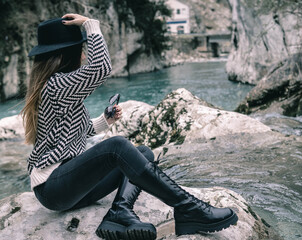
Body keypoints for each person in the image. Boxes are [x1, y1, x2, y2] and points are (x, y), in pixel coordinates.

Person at [22, 13, 238, 240]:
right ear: (65, 55)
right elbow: (101, 68)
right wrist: (90, 25)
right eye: (80, 49)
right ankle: (188, 207)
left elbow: (81, 130)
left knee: (142, 152)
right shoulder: (56, 85)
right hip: (53, 188)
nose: (84, 54)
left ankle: (119, 211)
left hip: (72, 188)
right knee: (117, 146)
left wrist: (105, 120)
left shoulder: (58, 87)